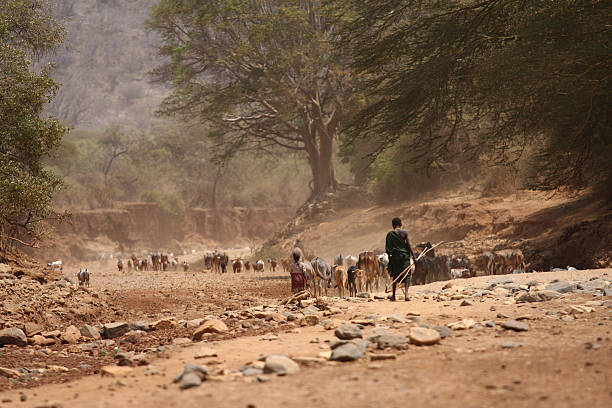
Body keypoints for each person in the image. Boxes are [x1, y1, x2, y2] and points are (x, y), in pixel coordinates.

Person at [385, 217, 415, 301]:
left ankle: (394, 295)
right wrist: (414, 257)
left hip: (395, 257)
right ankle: (406, 295)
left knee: (395, 275)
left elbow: (388, 248)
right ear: (400, 224)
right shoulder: (404, 233)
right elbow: (409, 245)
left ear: (393, 225)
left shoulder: (390, 234)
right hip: (405, 257)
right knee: (407, 275)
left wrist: (390, 257)